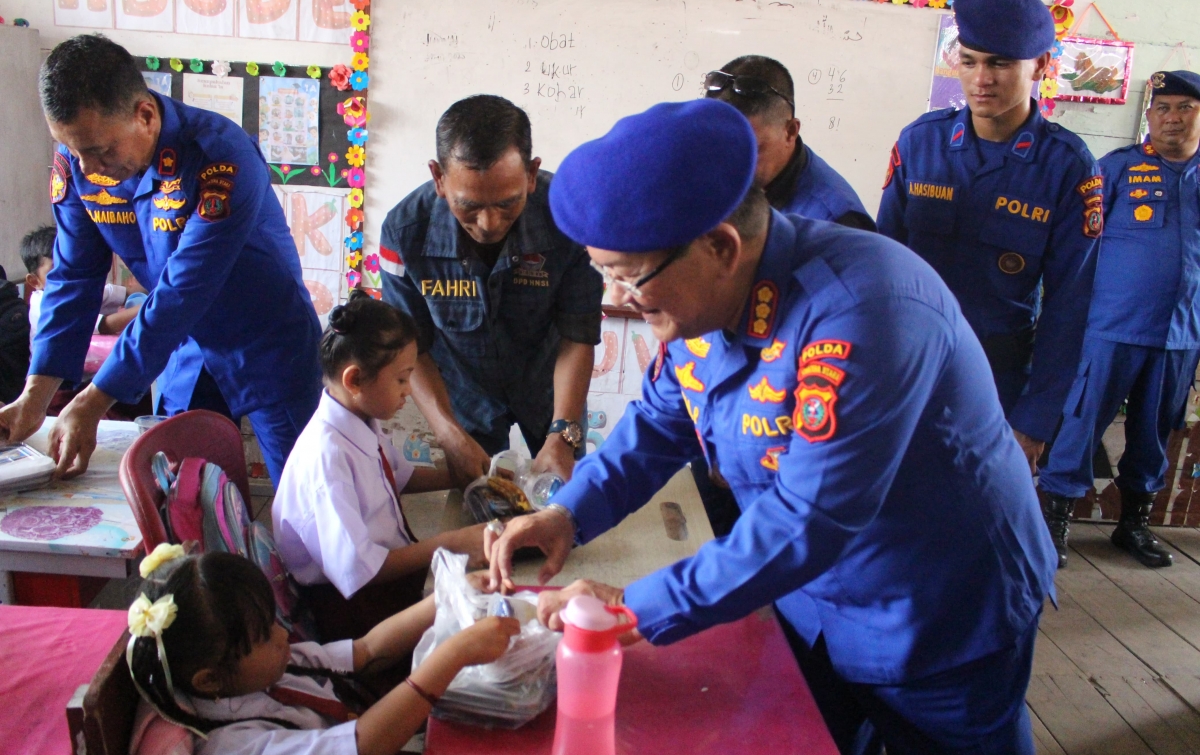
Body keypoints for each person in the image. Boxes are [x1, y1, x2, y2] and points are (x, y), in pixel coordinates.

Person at [485, 99, 1056, 753]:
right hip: (810, 600)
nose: (616, 297)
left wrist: (636, 607)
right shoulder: (706, 301)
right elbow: (659, 420)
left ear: (721, 246)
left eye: (627, 275)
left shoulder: (864, 312)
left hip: (934, 614)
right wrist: (569, 514)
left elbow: (807, 517)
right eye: (605, 273)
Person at [0, 34, 322, 485]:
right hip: (183, 345)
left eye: (99, 150)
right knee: (181, 494)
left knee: (300, 497)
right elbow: (73, 277)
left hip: (264, 340)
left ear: (145, 115)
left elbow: (180, 293)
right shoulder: (79, 158)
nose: (86, 166)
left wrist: (94, 400)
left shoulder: (219, 159)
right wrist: (35, 396)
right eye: (72, 149)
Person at [876, 0, 1102, 474]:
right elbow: (881, 268)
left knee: (975, 513)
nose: (982, 79)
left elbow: (1069, 307)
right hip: (907, 367)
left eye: (1001, 63)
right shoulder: (920, 143)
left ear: (1040, 64)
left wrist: (1035, 420)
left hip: (997, 379)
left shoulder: (1066, 167)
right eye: (971, 60)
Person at [379, 95, 602, 488]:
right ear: (439, 178)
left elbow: (577, 336)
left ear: (531, 175)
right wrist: (447, 433)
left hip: (551, 388)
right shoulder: (403, 234)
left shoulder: (569, 219)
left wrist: (564, 433)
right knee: (480, 506)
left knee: (565, 500)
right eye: (469, 206)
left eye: (507, 203)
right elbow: (413, 347)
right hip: (465, 394)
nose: (488, 223)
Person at [699, 54, 875, 536]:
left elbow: (830, 372)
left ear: (791, 130)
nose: (733, 168)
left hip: (786, 442)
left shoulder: (834, 220)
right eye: (722, 148)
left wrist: (741, 445)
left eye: (751, 150)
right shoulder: (719, 187)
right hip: (724, 414)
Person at [126, 543, 519, 755]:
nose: (283, 636)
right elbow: (365, 744)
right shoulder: (234, 745)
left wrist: (448, 596)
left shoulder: (261, 671)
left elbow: (367, 650)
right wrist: (452, 656)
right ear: (209, 679)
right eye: (265, 634)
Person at [1038, 70, 1200, 570]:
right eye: (1163, 109)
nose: (1172, 118)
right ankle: (1053, 525)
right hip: (1110, 326)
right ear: (1149, 116)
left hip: (1181, 333)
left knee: (1154, 434)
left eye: (1185, 109)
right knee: (1079, 424)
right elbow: (1074, 244)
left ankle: (1133, 525)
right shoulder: (1116, 169)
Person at [273, 294, 489, 641]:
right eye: (402, 380)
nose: (408, 393)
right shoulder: (326, 457)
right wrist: (448, 542)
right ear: (355, 380)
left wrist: (471, 473)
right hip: (351, 615)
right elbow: (360, 569)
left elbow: (398, 476)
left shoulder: (359, 420)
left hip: (386, 585)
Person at [21, 224, 144, 342]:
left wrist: (154, 285)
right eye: (55, 269)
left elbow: (123, 293)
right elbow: (105, 325)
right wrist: (153, 305)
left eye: (71, 264)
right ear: (35, 281)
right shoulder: (46, 305)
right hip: (58, 363)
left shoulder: (78, 288)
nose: (68, 273)